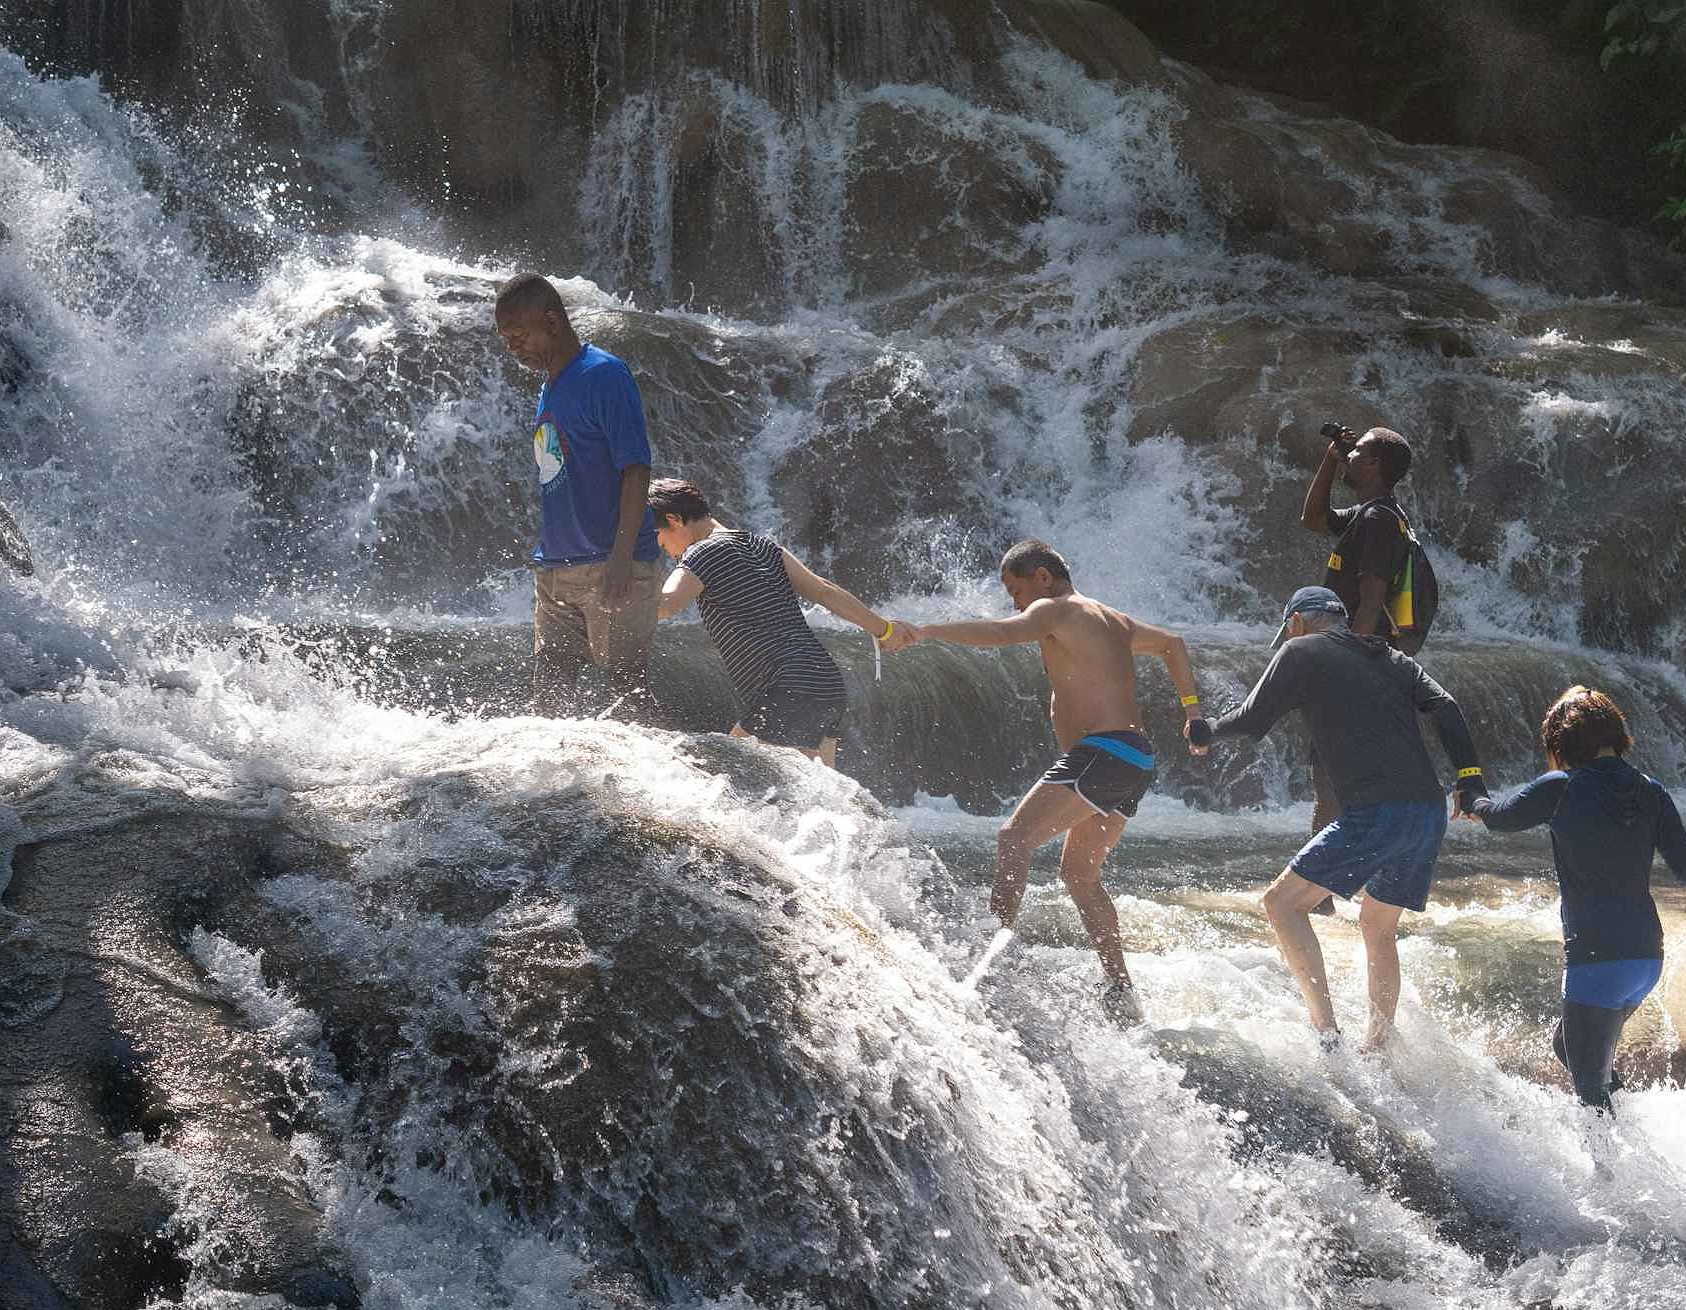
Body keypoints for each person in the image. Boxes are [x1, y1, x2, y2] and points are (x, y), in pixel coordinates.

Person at [887, 540, 1202, 1023]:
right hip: (1135, 759)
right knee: (1079, 875)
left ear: (1042, 577)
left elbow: (1002, 632)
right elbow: (1173, 645)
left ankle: (991, 967)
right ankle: (1120, 989)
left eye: (1017, 590)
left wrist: (926, 630)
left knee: (1014, 839)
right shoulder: (1113, 620)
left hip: (1104, 752)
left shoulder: (1054, 609)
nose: (1018, 604)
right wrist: (1192, 713)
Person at [1188, 586, 1486, 1051]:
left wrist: (1206, 731)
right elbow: (1446, 707)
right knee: (1378, 927)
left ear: (1297, 623)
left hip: (1378, 811)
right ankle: (1379, 1047)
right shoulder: (1391, 658)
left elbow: (1252, 718)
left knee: (1282, 905)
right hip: (1427, 813)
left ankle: (1327, 1038)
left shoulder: (1300, 650)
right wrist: (1469, 778)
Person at [1462, 686, 1686, 1112]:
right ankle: (1638, 1132)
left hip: (1596, 960)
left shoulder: (1562, 786)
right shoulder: (1651, 790)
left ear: (1561, 741)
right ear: (1616, 734)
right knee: (1569, 1048)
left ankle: (1621, 1173)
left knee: (1590, 1096)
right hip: (1646, 958)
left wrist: (1470, 790)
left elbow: (1496, 818)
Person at [494, 273, 665, 720]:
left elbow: (636, 466)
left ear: (550, 321)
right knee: (549, 693)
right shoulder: (550, 386)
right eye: (505, 339)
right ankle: (558, 791)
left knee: (627, 690)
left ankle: (672, 783)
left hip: (611, 563)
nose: (512, 347)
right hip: (556, 568)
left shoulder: (603, 374)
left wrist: (621, 557)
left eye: (518, 335)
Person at [651, 479, 900, 766]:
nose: (663, 546)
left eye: (659, 536)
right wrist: (884, 629)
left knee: (728, 782)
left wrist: (607, 599)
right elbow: (823, 591)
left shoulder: (701, 554)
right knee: (818, 802)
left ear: (674, 519)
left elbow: (667, 605)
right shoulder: (762, 545)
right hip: (825, 681)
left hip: (788, 688)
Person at [1298, 425, 1417, 914]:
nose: (1351, 456)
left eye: (1358, 452)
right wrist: (1331, 456)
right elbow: (1313, 518)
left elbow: (1370, 601)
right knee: (1333, 778)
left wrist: (1347, 667)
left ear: (1375, 467)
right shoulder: (1369, 516)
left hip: (1357, 666)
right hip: (1361, 664)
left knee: (1330, 778)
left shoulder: (1381, 521)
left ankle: (1321, 892)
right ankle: (1328, 889)